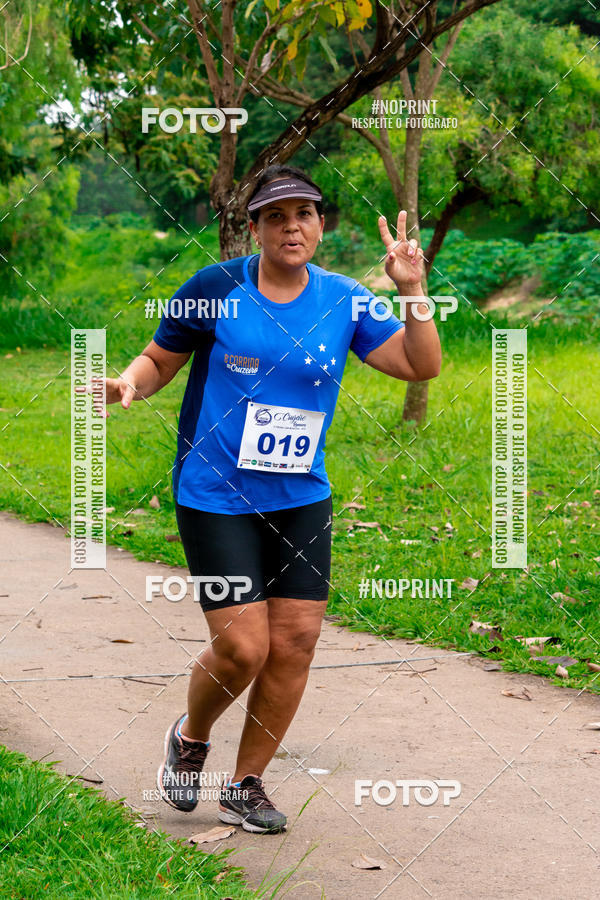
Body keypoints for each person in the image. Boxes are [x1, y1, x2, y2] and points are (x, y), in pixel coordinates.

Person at [101, 164, 441, 834]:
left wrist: (412, 290)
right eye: (276, 216)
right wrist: (130, 383)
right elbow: (161, 358)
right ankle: (191, 737)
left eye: (304, 214)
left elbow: (419, 364)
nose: (292, 227)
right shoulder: (215, 289)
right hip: (215, 494)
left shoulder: (346, 299)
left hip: (300, 496)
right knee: (243, 649)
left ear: (321, 225)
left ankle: (246, 784)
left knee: (295, 642)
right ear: (254, 227)